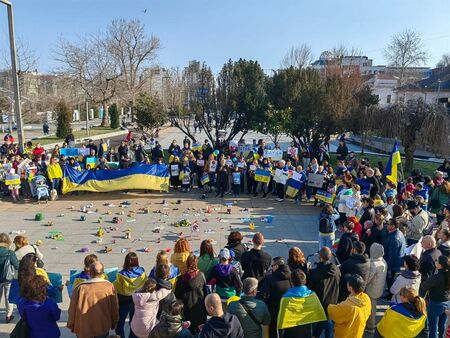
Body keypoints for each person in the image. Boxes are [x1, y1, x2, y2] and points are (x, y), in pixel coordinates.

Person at [67, 261, 119, 338]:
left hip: (84, 328)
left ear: (90, 272)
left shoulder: (80, 288)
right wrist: (114, 322)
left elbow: (72, 309)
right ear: (102, 273)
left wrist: (71, 324)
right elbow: (114, 308)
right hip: (102, 326)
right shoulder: (109, 287)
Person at [277, 269, 326, 338]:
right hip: (308, 334)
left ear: (291, 282)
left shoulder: (285, 299)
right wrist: (315, 335)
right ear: (305, 281)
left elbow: (281, 323)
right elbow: (322, 318)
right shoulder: (312, 296)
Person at [307, 247, 340, 338]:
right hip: (332, 302)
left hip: (319, 304)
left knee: (316, 327)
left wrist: (308, 271)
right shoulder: (336, 270)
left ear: (320, 257)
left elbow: (309, 287)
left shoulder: (315, 272)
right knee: (329, 325)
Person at [114, 252, 147, 338]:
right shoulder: (142, 271)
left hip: (123, 300)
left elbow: (116, 288)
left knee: (120, 322)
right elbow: (145, 283)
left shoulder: (121, 274)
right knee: (134, 322)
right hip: (136, 300)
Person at [328, 273, 371, 338]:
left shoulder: (348, 306)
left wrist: (328, 305)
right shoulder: (366, 298)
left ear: (350, 288)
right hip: (358, 333)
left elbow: (332, 312)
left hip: (346, 334)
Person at [258, 257, 292, 338]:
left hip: (274, 311)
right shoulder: (292, 276)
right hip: (290, 310)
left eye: (272, 265)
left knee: (273, 332)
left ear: (276, 266)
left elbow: (263, 295)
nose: (271, 268)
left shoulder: (271, 278)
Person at [174, 254, 208, 333]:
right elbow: (206, 293)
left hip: (187, 312)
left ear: (187, 264)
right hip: (200, 310)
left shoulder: (181, 279)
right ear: (197, 264)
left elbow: (177, 297)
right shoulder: (201, 276)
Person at [421, 255, 450, 338]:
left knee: (433, 327)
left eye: (437, 261)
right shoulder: (447, 275)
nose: (435, 261)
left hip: (435, 303)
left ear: (440, 265)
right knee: (442, 325)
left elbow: (424, 286)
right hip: (447, 302)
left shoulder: (435, 277)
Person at [364, 243, 388, 334]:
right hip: (379, 288)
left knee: (372, 308)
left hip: (371, 290)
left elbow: (368, 278)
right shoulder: (383, 261)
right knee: (374, 306)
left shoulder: (373, 264)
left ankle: (371, 326)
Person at [0, 233, 20, 323]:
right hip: (8, 279)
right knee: (8, 297)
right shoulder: (10, 253)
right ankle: (8, 315)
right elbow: (17, 266)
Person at [383, 218, 406, 289]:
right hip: (397, 263)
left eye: (388, 224)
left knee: (390, 280)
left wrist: (388, 268)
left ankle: (390, 294)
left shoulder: (394, 239)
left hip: (394, 265)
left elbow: (392, 256)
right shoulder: (399, 233)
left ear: (393, 226)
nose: (387, 225)